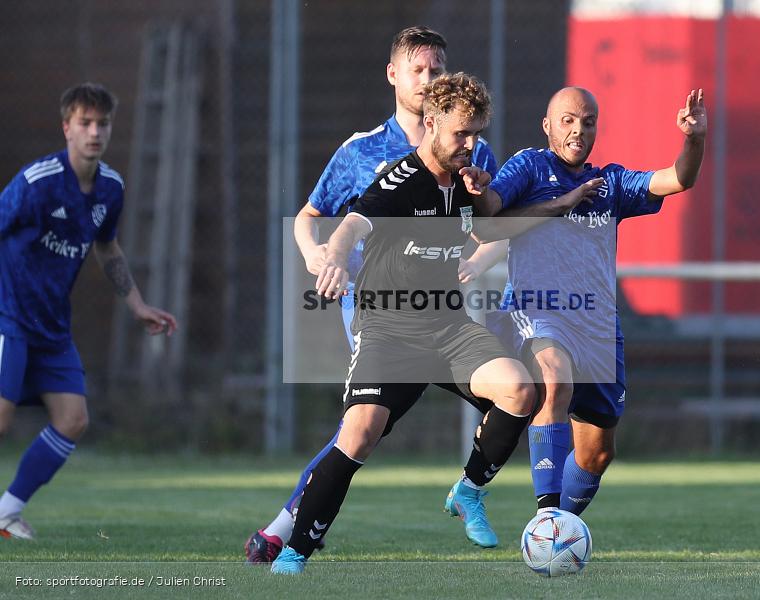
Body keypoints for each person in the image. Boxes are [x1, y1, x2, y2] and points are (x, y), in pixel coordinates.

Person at [244, 26, 506, 563]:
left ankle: (285, 531)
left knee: (369, 426)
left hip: (441, 307)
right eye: (419, 70)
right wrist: (319, 256)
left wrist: (482, 252)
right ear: (394, 75)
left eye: (437, 70)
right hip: (370, 306)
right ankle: (287, 534)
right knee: (364, 424)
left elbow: (493, 227)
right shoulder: (364, 152)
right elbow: (312, 217)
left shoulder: (471, 150)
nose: (429, 80)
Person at [475, 86, 706, 515]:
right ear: (547, 126)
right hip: (538, 310)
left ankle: (559, 527)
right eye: (567, 120)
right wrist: (476, 189)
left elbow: (678, 178)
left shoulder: (611, 183)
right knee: (554, 378)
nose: (578, 129)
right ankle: (547, 514)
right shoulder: (530, 166)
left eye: (588, 121)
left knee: (596, 455)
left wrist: (693, 139)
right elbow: (488, 214)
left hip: (597, 328)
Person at [0, 83, 178, 540]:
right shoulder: (37, 183)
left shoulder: (110, 189)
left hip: (52, 327)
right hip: (10, 318)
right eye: (85, 123)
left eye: (103, 124)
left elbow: (106, 246)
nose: (95, 132)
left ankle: (5, 512)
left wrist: (136, 303)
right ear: (67, 128)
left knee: (73, 420)